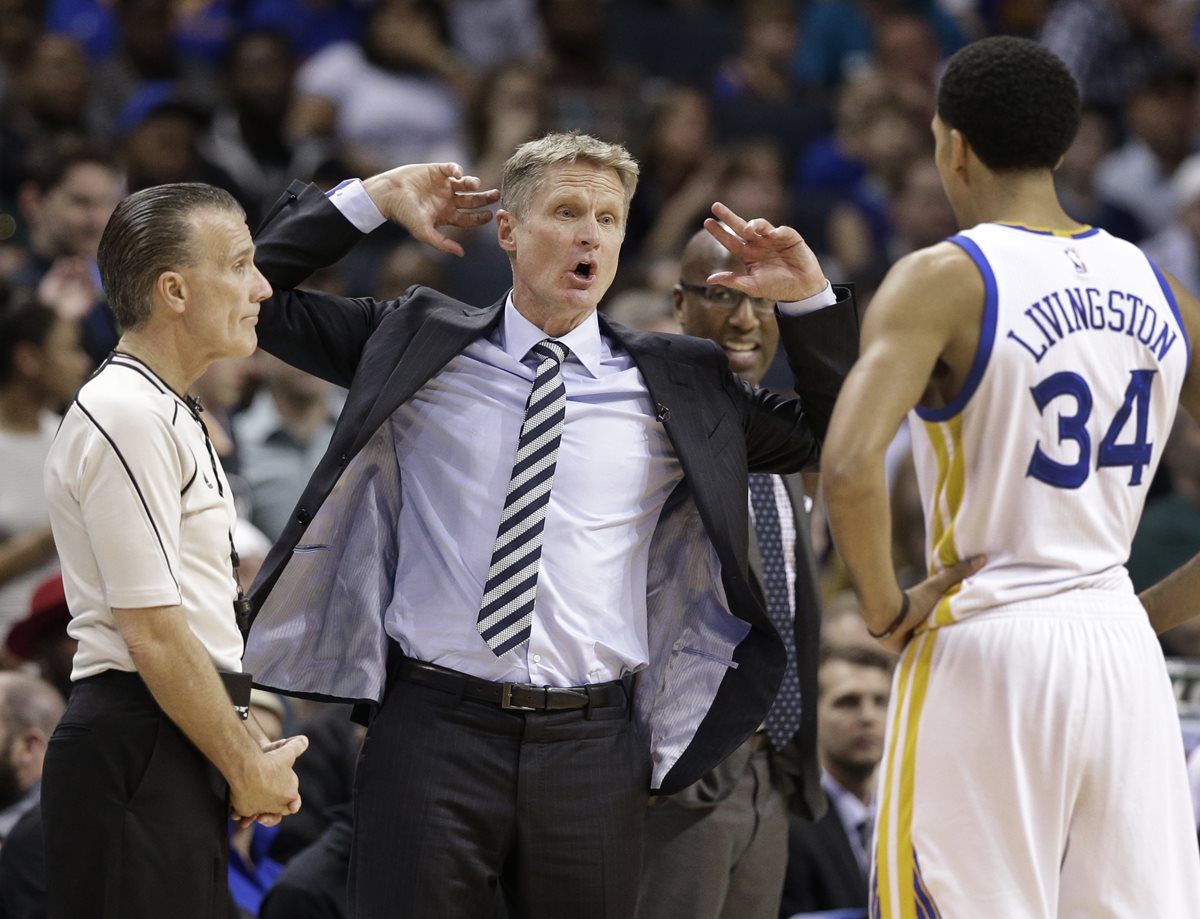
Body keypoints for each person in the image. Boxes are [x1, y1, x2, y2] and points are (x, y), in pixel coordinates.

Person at [241, 131, 859, 918]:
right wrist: (371, 198)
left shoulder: (678, 381)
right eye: (566, 210)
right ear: (506, 229)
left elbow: (833, 432)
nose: (588, 234)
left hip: (594, 743)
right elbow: (250, 293)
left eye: (608, 217)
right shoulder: (419, 339)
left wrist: (808, 298)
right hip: (432, 726)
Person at [820, 36, 1200, 917]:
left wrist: (882, 607)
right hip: (1120, 648)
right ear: (1064, 148)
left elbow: (847, 465)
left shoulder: (942, 277)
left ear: (951, 144)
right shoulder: (1162, 286)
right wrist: (1152, 610)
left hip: (991, 638)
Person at [41, 182, 310, 919]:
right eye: (242, 264)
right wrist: (245, 762)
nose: (261, 287)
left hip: (173, 727)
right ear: (175, 290)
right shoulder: (126, 412)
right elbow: (154, 632)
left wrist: (237, 743)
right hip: (137, 735)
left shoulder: (168, 405)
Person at [634, 228, 833, 919]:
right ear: (679, 302)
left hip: (771, 773)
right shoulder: (643, 430)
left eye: (763, 302)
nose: (745, 319)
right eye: (722, 296)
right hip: (679, 777)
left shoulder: (787, 444)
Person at [0, 293, 90, 641]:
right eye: (69, 349)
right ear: (28, 359)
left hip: (78, 643)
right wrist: (52, 535)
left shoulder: (73, 435)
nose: (82, 363)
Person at [781, 645, 892, 917]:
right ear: (811, 716)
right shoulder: (787, 825)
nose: (868, 717)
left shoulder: (912, 821)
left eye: (881, 701)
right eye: (848, 702)